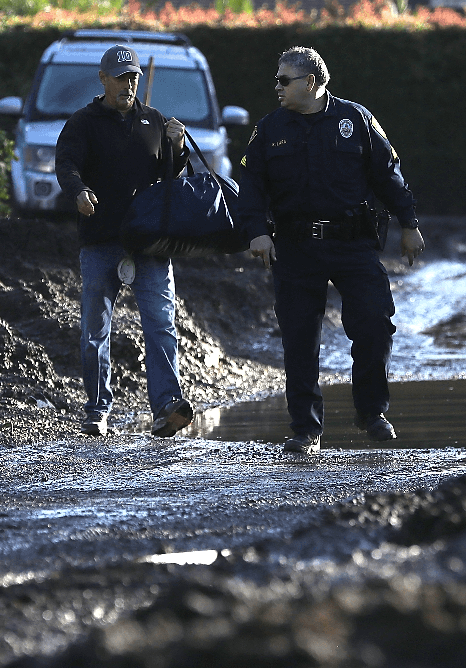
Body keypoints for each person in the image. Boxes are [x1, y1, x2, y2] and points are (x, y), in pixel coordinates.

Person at [236, 46, 426, 454]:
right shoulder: (270, 129)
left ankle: (371, 411)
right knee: (300, 338)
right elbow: (250, 186)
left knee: (375, 324)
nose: (277, 87)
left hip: (352, 243)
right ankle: (305, 429)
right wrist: (256, 232)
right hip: (294, 247)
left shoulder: (354, 119)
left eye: (284, 80)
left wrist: (409, 223)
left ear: (310, 82)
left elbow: (387, 174)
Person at [54, 44, 195, 439]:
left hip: (150, 245)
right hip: (100, 242)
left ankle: (167, 407)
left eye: (133, 77)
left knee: (162, 327)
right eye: (120, 77)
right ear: (103, 79)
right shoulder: (82, 123)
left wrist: (177, 147)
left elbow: (169, 177)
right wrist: (79, 192)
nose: (128, 84)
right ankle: (97, 411)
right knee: (94, 333)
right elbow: (66, 164)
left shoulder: (154, 120)